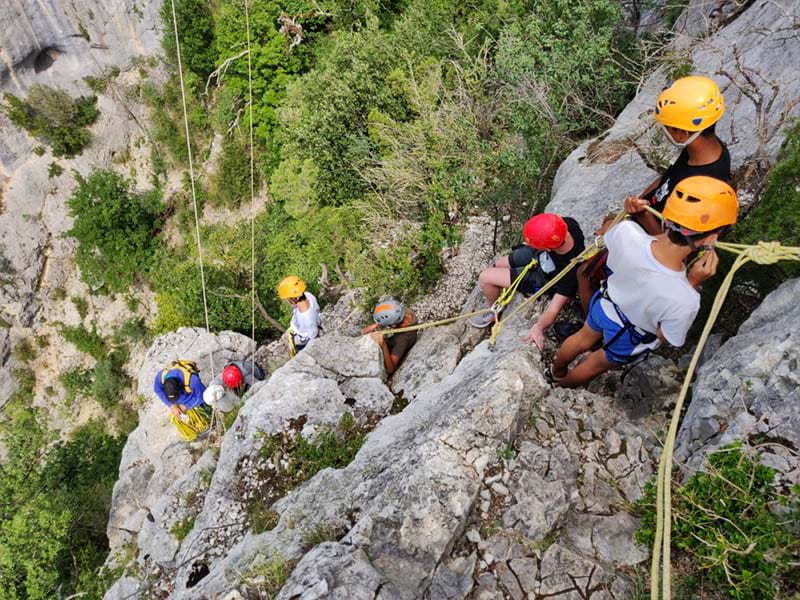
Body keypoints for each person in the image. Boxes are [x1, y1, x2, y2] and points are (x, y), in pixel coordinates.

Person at [548, 176, 738, 388]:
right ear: (712, 238)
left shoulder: (627, 232)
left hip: (603, 303)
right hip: (628, 332)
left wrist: (638, 216)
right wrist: (692, 282)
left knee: (582, 337)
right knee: (595, 363)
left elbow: (614, 237)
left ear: (667, 214)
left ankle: (556, 371)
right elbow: (665, 336)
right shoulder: (686, 298)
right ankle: (560, 387)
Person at [577, 75, 731, 314]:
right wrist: (628, 211)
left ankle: (592, 327)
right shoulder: (703, 148)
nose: (666, 131)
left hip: (655, 241)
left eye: (669, 127)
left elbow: (671, 239)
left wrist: (637, 217)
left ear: (682, 133)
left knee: (585, 273)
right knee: (606, 231)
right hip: (645, 219)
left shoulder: (705, 180)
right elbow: (667, 178)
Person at [469, 213, 586, 351]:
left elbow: (554, 309)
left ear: (548, 248)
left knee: (486, 278)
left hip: (543, 276)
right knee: (498, 264)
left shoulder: (570, 272)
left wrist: (539, 326)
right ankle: (499, 293)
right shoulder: (568, 225)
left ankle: (494, 311)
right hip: (540, 254)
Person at [153, 359, 210, 441]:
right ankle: (193, 434)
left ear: (181, 387)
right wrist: (172, 405)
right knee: (177, 417)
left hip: (192, 397)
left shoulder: (192, 380)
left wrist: (186, 406)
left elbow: (202, 396)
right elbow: (157, 389)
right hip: (180, 400)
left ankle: (207, 422)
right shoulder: (161, 376)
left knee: (204, 411)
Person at [362, 299, 417, 375]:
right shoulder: (405, 313)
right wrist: (378, 324)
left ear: (393, 325)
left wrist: (383, 345)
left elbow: (390, 369)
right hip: (391, 337)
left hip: (387, 351)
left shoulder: (403, 339)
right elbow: (364, 331)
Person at [278, 275, 321, 353]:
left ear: (295, 298)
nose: (287, 301)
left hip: (303, 342)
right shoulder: (308, 295)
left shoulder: (307, 319)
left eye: (288, 298)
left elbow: (313, 335)